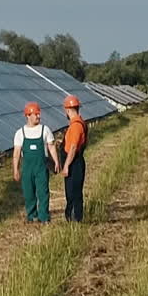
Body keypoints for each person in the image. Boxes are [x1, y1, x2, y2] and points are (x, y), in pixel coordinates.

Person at [12, 102, 59, 223]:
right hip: (27, 168)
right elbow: (16, 153)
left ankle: (43, 216)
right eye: (35, 114)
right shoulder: (20, 133)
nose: (38, 116)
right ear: (28, 115)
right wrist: (16, 170)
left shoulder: (45, 130)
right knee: (29, 193)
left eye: (39, 114)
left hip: (41, 167)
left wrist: (56, 161)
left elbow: (51, 146)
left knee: (43, 192)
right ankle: (31, 215)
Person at [61, 94, 88, 222]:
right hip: (75, 161)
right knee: (72, 191)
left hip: (74, 163)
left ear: (67, 110)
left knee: (73, 192)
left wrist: (66, 165)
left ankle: (75, 219)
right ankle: (73, 217)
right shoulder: (77, 123)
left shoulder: (76, 125)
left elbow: (72, 148)